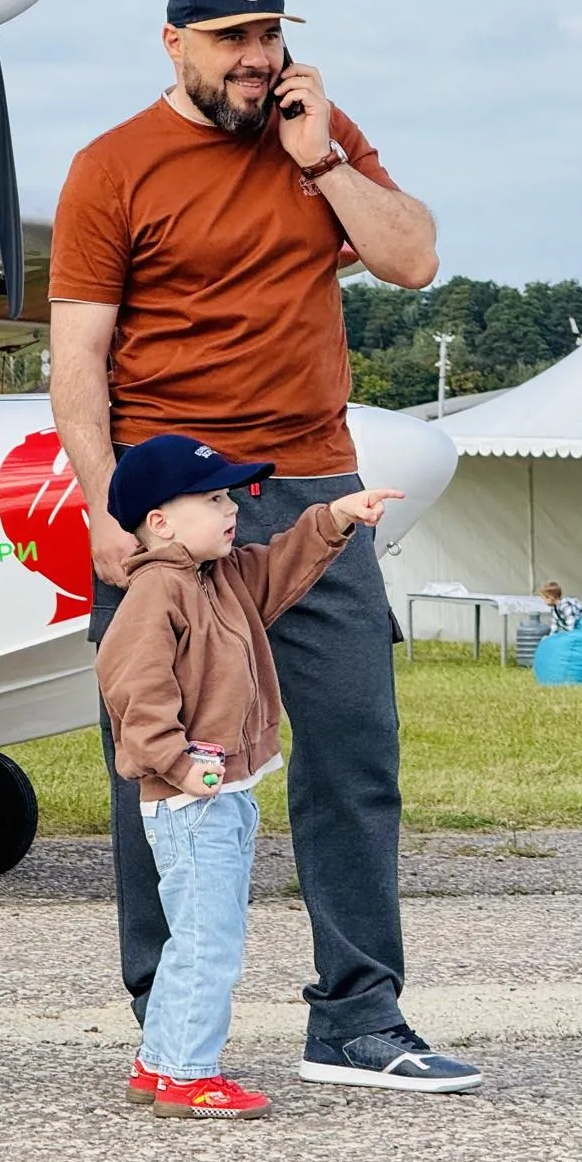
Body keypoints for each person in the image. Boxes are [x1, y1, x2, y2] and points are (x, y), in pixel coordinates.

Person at [50, 0, 479, 1094]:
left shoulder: (321, 138)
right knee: (161, 765)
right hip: (173, 507)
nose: (256, 58)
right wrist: (105, 505)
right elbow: (78, 358)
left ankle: (358, 1018)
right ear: (174, 43)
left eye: (270, 36)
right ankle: (165, 1024)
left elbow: (416, 259)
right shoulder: (112, 167)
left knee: (350, 749)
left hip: (312, 489)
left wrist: (324, 157)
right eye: (231, 40)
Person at [97, 435, 416, 1119]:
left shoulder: (223, 577)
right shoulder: (156, 593)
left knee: (199, 934)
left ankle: (158, 1062)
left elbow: (282, 566)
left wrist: (336, 517)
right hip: (192, 800)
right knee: (209, 944)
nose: (232, 507)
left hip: (225, 795)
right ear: (159, 521)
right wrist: (182, 766)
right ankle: (189, 1076)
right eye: (212, 498)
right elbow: (132, 689)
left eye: (228, 494)